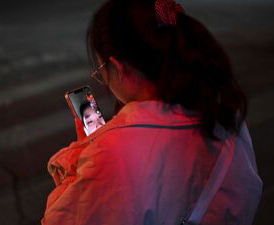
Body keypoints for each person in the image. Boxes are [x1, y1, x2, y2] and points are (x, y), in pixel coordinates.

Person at [41, 0, 262, 224]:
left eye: (101, 72)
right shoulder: (223, 111)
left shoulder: (112, 151)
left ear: (118, 68)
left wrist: (80, 162)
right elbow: (244, 197)